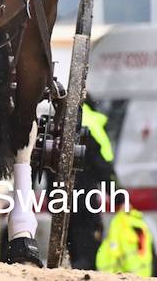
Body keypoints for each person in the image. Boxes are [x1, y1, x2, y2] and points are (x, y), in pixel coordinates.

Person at [68, 97, 119, 269]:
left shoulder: (57, 122)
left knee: (71, 244)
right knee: (88, 248)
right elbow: (101, 166)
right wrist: (117, 195)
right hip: (85, 198)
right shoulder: (91, 123)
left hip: (60, 197)